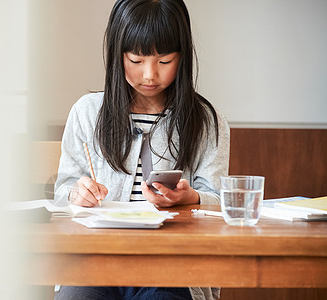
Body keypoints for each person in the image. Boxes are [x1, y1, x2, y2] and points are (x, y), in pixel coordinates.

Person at [53, 0, 229, 299]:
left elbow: (220, 204)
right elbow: (63, 192)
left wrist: (191, 198)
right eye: (136, 61)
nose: (149, 74)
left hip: (174, 267)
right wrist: (76, 193)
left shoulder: (206, 121)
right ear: (117, 55)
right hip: (94, 260)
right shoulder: (87, 112)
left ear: (183, 57)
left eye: (164, 61)